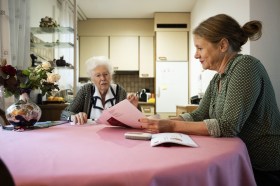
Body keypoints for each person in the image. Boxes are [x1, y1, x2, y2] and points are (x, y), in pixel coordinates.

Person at [139, 14, 280, 186]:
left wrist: (171, 126)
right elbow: (199, 115)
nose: (195, 55)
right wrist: (159, 122)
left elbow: (229, 126)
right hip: (240, 160)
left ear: (222, 45)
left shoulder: (245, 66)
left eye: (199, 48)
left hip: (264, 167)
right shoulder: (217, 79)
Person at [61, 56, 138, 124]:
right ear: (92, 79)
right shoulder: (86, 90)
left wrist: (133, 109)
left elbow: (132, 120)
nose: (103, 78)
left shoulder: (119, 91)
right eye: (98, 75)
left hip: (113, 136)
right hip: (89, 135)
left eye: (106, 74)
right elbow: (64, 114)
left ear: (111, 75)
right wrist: (74, 116)